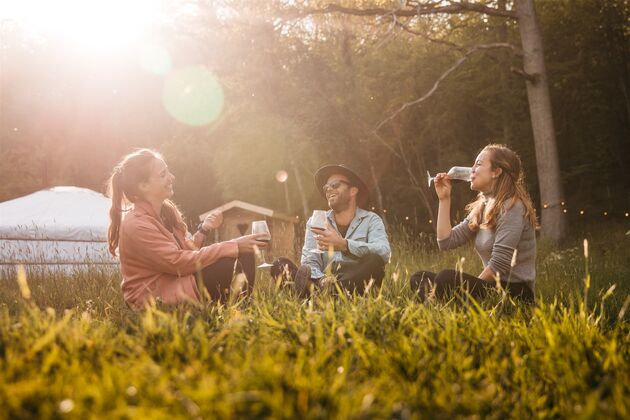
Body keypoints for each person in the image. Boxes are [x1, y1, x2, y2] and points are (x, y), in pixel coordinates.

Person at [107, 149, 268, 308]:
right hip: (155, 299)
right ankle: (235, 308)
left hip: (179, 282)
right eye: (163, 175)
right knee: (227, 262)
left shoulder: (166, 212)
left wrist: (204, 230)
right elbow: (178, 263)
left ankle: (243, 306)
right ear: (143, 185)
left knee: (244, 253)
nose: (171, 178)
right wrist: (233, 245)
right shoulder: (136, 226)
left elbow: (187, 251)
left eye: (168, 172)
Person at [410, 144, 537, 302]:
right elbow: (445, 242)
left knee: (445, 278)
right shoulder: (483, 206)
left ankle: (441, 304)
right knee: (418, 277)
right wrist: (444, 199)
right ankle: (439, 306)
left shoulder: (512, 206)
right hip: (492, 287)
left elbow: (499, 265)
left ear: (496, 172)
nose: (472, 170)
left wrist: (466, 288)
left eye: (478, 164)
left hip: (515, 294)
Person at [272, 164, 391, 296]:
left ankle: (320, 294)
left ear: (353, 191)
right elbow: (309, 261)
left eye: (334, 184)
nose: (328, 189)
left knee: (375, 260)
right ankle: (324, 292)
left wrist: (344, 245)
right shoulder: (316, 221)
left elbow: (384, 252)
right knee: (279, 264)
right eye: (326, 187)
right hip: (322, 281)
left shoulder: (371, 220)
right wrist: (322, 280)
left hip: (355, 284)